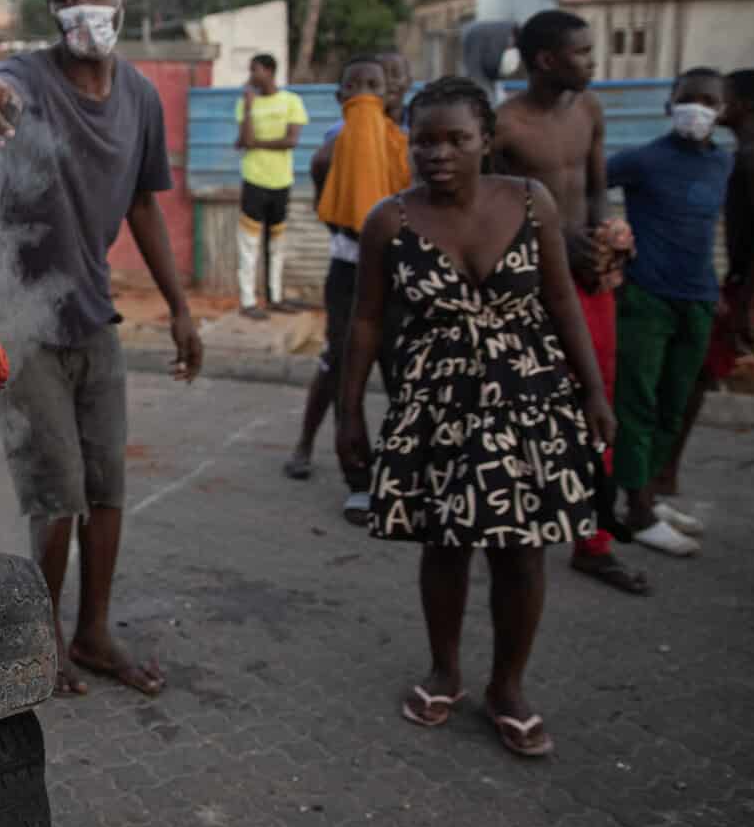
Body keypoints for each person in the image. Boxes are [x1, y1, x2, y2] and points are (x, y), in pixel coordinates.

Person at [338, 77, 614, 759]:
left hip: (528, 401)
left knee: (523, 548)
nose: (439, 154)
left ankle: (509, 688)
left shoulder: (531, 202)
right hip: (437, 405)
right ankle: (444, 670)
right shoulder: (388, 221)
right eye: (424, 140)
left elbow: (561, 300)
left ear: (486, 141)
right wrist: (349, 414)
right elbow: (366, 321)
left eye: (457, 139)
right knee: (445, 541)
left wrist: (594, 392)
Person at [0, 0, 203, 697]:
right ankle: (42, 641)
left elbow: (143, 203)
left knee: (107, 487)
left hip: (96, 318)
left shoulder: (139, 96)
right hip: (24, 321)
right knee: (55, 493)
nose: (83, 10)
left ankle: (94, 632)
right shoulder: (28, 78)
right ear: (52, 8)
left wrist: (180, 309)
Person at [490, 10, 648, 596]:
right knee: (527, 408)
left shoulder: (590, 110)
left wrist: (610, 238)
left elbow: (597, 191)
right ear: (546, 60)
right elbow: (483, 210)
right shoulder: (503, 126)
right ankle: (520, 523)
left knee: (597, 400)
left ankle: (594, 541)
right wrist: (551, 240)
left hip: (590, 285)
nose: (592, 61)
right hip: (529, 287)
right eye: (581, 52)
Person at [651, 70, 754, 519]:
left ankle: (665, 473)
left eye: (724, 98)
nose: (713, 107)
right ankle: (666, 471)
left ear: (744, 106)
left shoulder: (753, 156)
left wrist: (743, 304)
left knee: (699, 374)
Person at [603, 69, 733, 558]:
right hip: (646, 298)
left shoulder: (723, 164)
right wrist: (610, 245)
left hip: (698, 297)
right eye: (687, 99)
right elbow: (590, 191)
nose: (696, 108)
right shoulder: (644, 160)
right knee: (636, 403)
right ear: (668, 106)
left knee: (673, 405)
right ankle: (635, 512)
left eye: (707, 101)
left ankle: (649, 497)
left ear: (723, 111)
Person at [282, 57, 410, 524]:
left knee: (402, 375)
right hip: (349, 273)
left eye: (379, 85)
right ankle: (353, 473)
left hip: (401, 278)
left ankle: (401, 471)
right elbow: (329, 207)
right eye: (356, 85)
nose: (370, 93)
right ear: (341, 97)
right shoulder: (337, 146)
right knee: (340, 367)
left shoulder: (409, 146)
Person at [233, 53, 309, 319]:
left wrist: (259, 144)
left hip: (281, 181)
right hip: (254, 180)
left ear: (269, 71)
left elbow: (291, 140)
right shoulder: (245, 103)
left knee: (277, 243)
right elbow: (243, 140)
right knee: (249, 243)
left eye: (254, 70)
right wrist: (250, 107)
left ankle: (275, 297)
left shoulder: (291, 101)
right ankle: (248, 301)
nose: (251, 75)